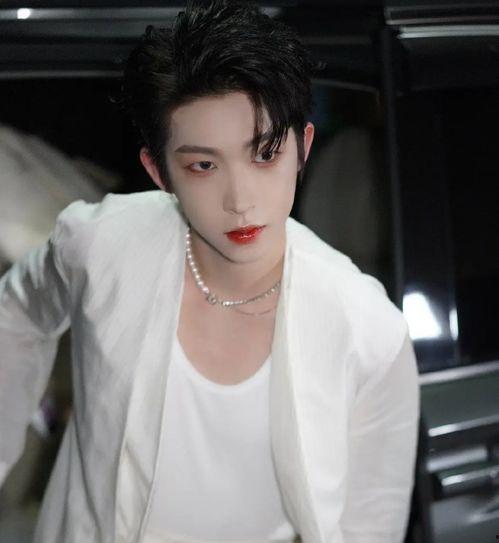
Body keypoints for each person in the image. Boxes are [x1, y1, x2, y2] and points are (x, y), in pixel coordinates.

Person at [0, 1, 420, 542]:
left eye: (265, 154)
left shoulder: (369, 329)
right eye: (203, 165)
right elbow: (15, 316)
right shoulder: (100, 246)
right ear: (160, 173)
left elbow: (371, 525)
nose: (240, 200)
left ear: (303, 148)